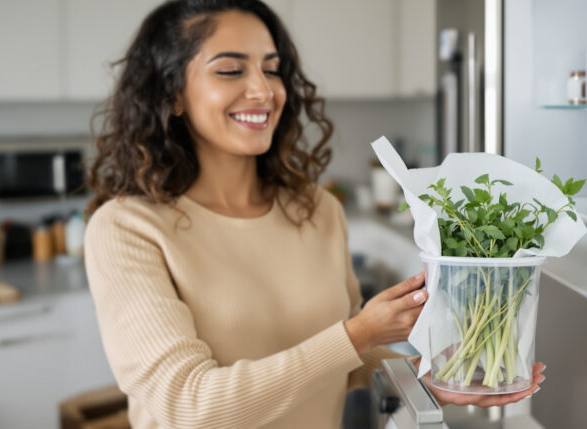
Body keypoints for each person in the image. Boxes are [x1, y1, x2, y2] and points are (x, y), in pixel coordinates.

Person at [84, 1, 545, 428]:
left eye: (272, 69)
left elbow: (349, 366)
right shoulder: (128, 228)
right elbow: (188, 406)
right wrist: (357, 332)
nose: (263, 90)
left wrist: (444, 378)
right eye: (229, 70)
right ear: (173, 95)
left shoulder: (317, 210)